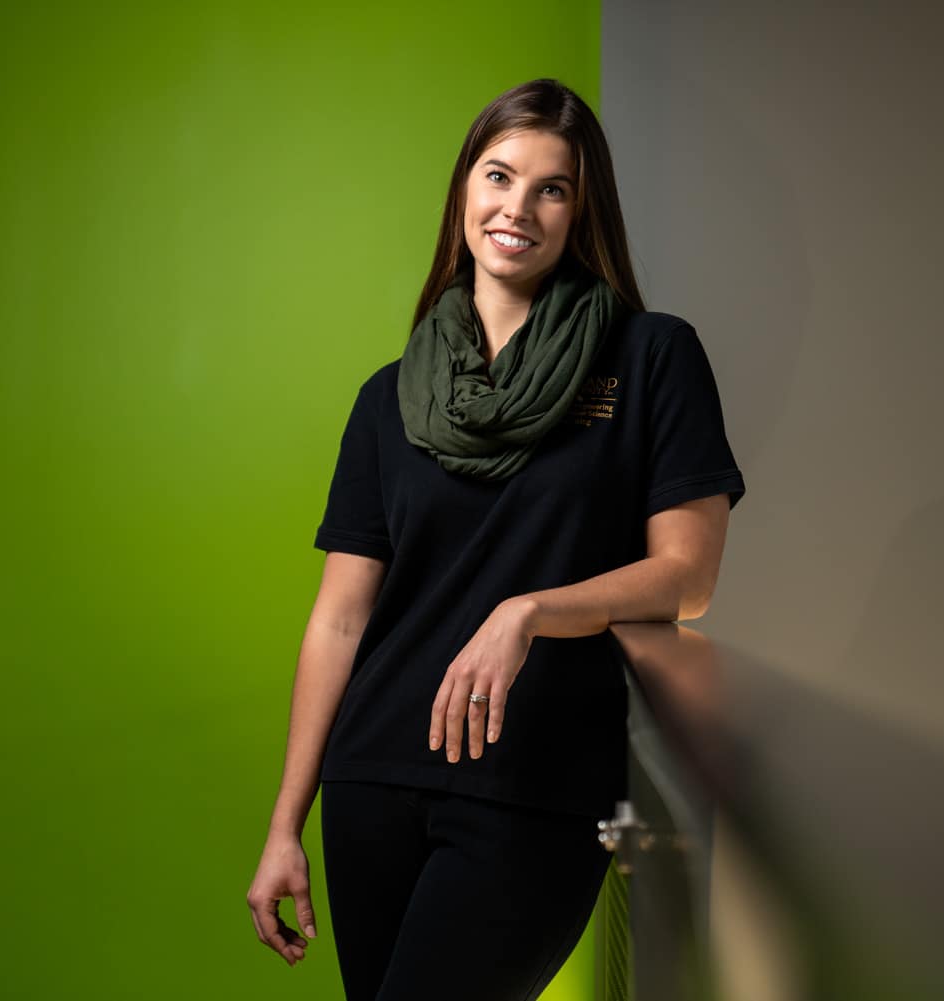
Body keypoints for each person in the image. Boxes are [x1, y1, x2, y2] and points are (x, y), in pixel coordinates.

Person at [245, 78, 745, 1000]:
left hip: (539, 786)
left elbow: (689, 575)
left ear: (581, 211)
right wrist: (286, 825)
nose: (518, 208)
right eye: (498, 176)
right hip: (374, 783)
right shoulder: (388, 398)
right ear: (464, 193)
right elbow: (340, 622)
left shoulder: (651, 358)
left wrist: (530, 611)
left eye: (551, 188)